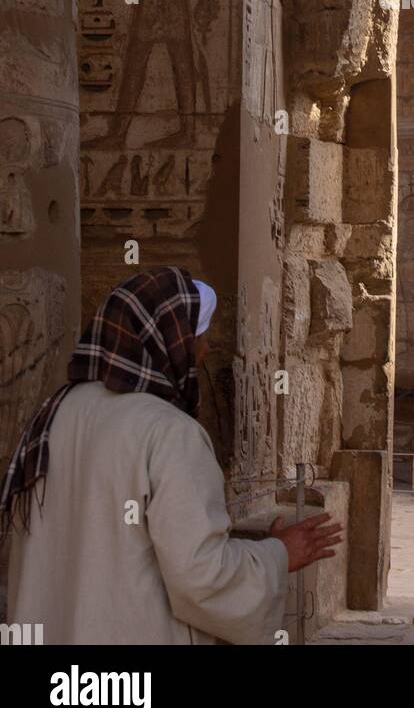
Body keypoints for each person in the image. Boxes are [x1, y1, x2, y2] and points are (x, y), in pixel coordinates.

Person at [2, 267, 342, 644]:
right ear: (168, 339)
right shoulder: (170, 433)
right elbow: (201, 577)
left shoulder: (50, 416)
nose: (205, 349)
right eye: (198, 336)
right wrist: (278, 556)